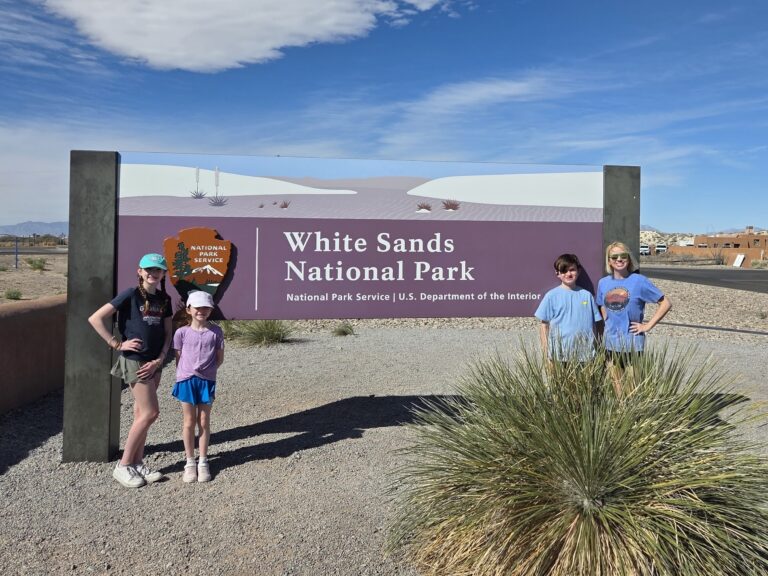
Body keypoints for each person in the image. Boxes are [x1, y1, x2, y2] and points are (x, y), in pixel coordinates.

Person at [88, 253, 172, 488]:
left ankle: (137, 462)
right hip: (135, 360)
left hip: (154, 362)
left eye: (158, 270)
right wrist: (116, 344)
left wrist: (162, 358)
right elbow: (95, 318)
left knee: (140, 414)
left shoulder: (164, 299)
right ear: (140, 271)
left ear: (164, 273)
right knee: (150, 413)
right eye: (149, 270)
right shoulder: (130, 295)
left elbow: (168, 333)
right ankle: (123, 466)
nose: (153, 274)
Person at [596, 241, 671, 392]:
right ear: (609, 261)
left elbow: (665, 303)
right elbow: (601, 304)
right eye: (614, 256)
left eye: (623, 255)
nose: (619, 259)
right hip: (611, 344)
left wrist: (647, 326)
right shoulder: (603, 283)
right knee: (617, 388)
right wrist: (607, 320)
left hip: (633, 344)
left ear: (628, 258)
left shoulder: (639, 281)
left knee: (632, 389)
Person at [172, 290, 225, 483]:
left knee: (204, 421)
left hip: (206, 381)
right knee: (188, 421)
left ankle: (203, 461)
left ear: (210, 310)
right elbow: (179, 359)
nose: (201, 311)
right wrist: (186, 374)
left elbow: (219, 358)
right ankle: (189, 461)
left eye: (205, 307)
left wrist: (207, 373)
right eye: (197, 307)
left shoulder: (216, 331)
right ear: (189, 309)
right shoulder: (181, 333)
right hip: (186, 380)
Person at [535, 253, 602, 362]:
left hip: (586, 355)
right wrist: (546, 352)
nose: (568, 274)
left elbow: (596, 325)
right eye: (564, 271)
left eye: (572, 270)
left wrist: (598, 347)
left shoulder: (587, 295)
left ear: (578, 271)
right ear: (557, 274)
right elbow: (544, 326)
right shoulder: (551, 296)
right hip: (560, 356)